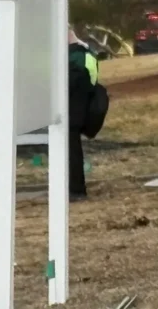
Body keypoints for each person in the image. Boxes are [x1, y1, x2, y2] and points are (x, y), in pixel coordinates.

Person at [68, 30, 99, 201]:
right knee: (73, 151)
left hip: (70, 112)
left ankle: (76, 190)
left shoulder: (74, 59)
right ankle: (74, 189)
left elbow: (69, 84)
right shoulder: (88, 56)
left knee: (71, 153)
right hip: (80, 110)